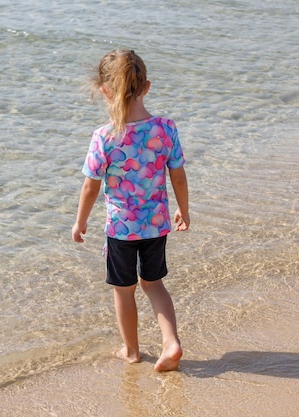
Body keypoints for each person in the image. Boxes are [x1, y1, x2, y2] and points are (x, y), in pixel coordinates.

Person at [72, 49, 189, 372]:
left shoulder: (105, 137)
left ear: (105, 91)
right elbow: (177, 174)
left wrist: (80, 222)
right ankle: (171, 341)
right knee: (154, 284)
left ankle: (132, 351)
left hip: (121, 229)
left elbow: (91, 186)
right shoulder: (165, 128)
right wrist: (184, 210)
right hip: (157, 225)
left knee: (124, 292)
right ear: (146, 87)